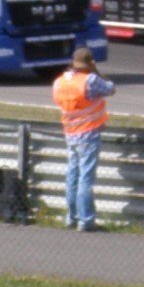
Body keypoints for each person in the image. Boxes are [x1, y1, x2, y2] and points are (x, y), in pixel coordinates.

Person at [52, 47, 116, 232]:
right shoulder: (90, 80)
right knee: (85, 179)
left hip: (70, 133)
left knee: (72, 175)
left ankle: (71, 217)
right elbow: (111, 89)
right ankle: (86, 220)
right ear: (89, 63)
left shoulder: (60, 82)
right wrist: (95, 70)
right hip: (88, 133)